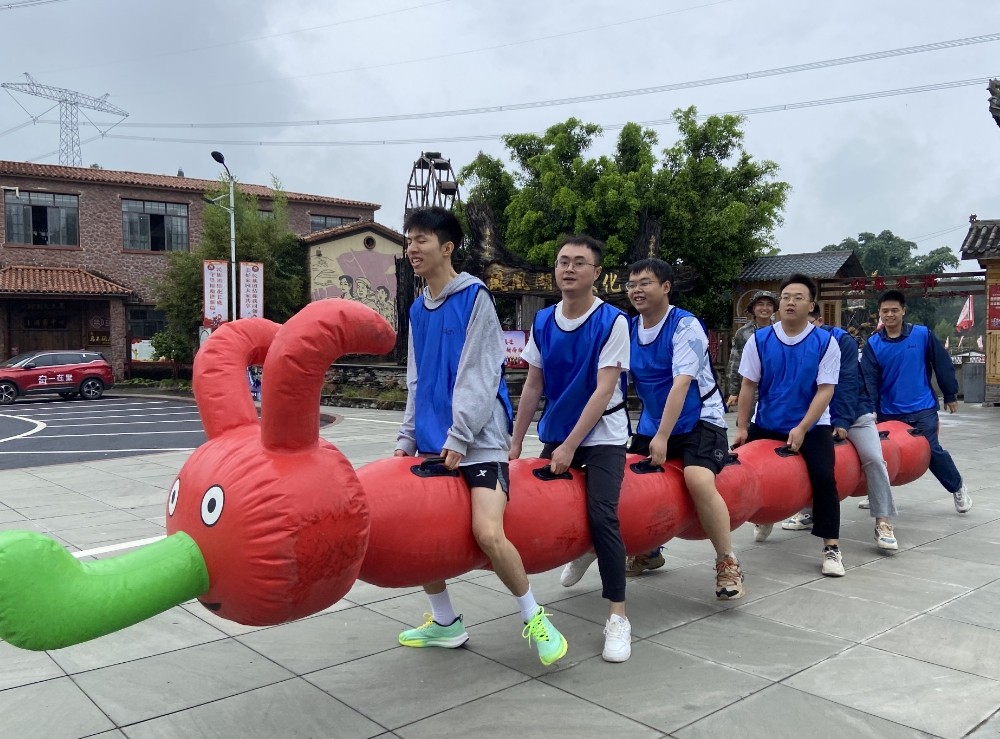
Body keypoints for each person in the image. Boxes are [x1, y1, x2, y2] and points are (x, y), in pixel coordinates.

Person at [394, 206, 567, 666]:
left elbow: (481, 371)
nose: (412, 248)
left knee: (488, 532)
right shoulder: (417, 309)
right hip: (432, 442)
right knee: (418, 532)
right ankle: (445, 622)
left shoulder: (475, 298)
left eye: (421, 239)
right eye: (409, 240)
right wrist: (406, 437)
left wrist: (460, 434)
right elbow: (416, 378)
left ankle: (535, 617)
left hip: (479, 441)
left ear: (447, 248)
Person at [510, 234, 633, 663]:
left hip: (602, 436)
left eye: (580, 262)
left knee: (603, 515)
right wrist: (514, 442)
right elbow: (533, 385)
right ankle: (585, 550)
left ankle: (618, 616)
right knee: (545, 509)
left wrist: (569, 447)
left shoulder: (613, 321)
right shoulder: (544, 320)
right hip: (559, 431)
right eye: (563, 261)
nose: (569, 268)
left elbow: (604, 391)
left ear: (596, 273)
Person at [623, 258, 745, 598]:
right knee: (629, 482)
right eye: (632, 284)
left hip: (699, 418)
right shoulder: (628, 329)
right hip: (652, 422)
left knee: (697, 478)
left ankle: (727, 562)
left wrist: (662, 437)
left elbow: (681, 384)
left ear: (666, 287)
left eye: (645, 283)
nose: (636, 290)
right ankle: (649, 551)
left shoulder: (685, 326)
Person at [734, 273, 846, 576]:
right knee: (746, 473)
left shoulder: (826, 342)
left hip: (812, 423)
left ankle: (831, 547)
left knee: (824, 478)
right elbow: (748, 385)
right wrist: (742, 427)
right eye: (785, 297)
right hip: (767, 421)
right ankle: (765, 517)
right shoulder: (759, 339)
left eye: (798, 298)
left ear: (811, 306)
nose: (790, 302)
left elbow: (826, 390)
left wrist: (803, 428)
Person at [771, 307, 899, 549]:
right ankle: (806, 510)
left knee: (873, 458)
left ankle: (883, 520)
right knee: (799, 458)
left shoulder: (842, 341)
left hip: (853, 412)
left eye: (808, 323)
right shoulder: (788, 342)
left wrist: (842, 421)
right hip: (814, 414)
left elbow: (848, 382)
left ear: (819, 320)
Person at [861, 289, 971, 513]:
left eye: (894, 310)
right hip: (888, 411)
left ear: (903, 311)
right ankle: (878, 495)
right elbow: (869, 380)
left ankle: (957, 487)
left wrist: (950, 394)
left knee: (931, 451)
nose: (890, 315)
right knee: (881, 454)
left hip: (922, 408)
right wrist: (869, 409)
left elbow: (942, 363)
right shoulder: (873, 344)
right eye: (885, 311)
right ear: (879, 313)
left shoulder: (922, 335)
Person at [725, 290, 778, 409]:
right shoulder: (743, 333)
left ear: (774, 308)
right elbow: (735, 362)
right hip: (751, 389)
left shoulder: (779, 331)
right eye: (760, 304)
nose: (765, 308)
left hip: (775, 390)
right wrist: (733, 391)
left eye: (769, 304)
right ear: (753, 308)